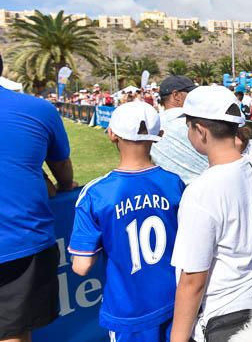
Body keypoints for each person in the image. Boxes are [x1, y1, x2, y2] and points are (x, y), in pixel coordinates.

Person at [69, 101, 185, 342]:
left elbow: (81, 266)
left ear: (112, 134)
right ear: (159, 136)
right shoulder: (175, 183)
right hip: (176, 302)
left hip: (128, 310)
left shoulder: (96, 194)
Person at [170, 86, 252, 342]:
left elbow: (193, 280)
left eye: (189, 126)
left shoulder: (200, 191)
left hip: (220, 317)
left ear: (200, 130)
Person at [0, 54, 78, 342]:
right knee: (14, 334)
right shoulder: (37, 108)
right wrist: (53, 182)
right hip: (21, 242)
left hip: (19, 244)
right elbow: (63, 171)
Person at [150, 76, 208, 185]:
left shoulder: (152, 125)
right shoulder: (195, 122)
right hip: (205, 189)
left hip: (171, 191)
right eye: (190, 93)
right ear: (176, 95)